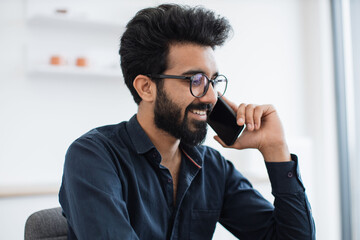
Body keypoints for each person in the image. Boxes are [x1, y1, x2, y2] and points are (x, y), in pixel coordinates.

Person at [59, 4, 315, 239]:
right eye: (195, 80)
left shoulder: (213, 168)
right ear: (146, 88)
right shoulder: (93, 157)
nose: (212, 96)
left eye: (213, 81)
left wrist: (276, 150)